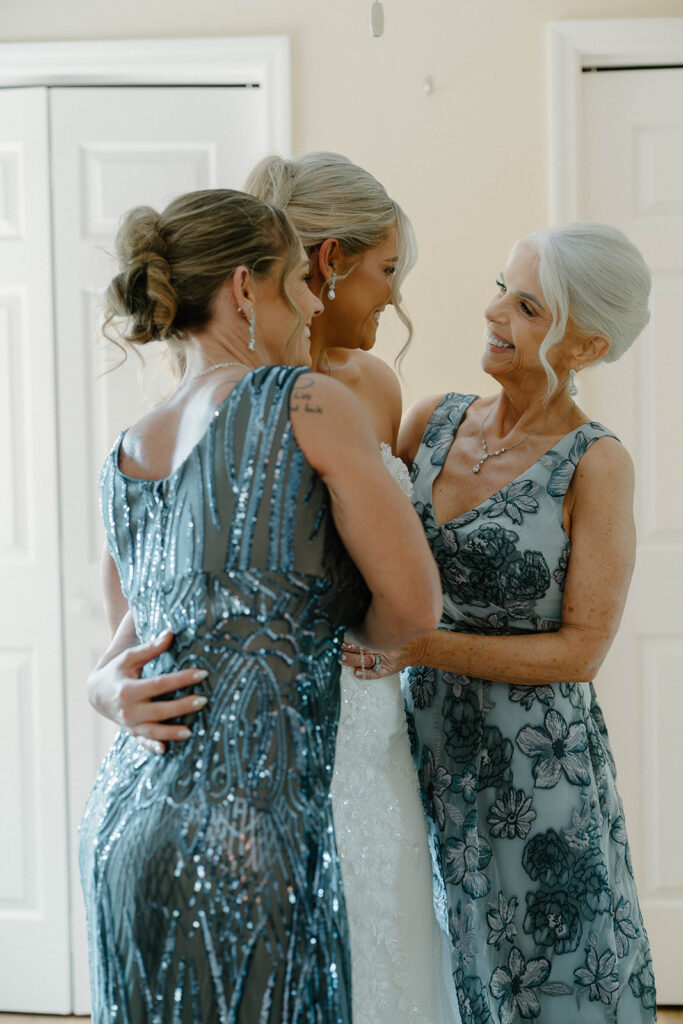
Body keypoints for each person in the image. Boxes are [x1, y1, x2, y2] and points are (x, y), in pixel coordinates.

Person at [88, 153, 458, 1024]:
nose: (314, 300)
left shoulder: (126, 449)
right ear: (248, 291)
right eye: (301, 280)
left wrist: (105, 690)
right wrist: (328, 637)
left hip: (124, 822)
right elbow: (412, 609)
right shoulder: (308, 402)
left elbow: (119, 661)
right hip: (254, 828)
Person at [343, 224, 657, 1023]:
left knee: (550, 985)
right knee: (440, 973)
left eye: (526, 307)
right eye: (500, 288)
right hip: (412, 753)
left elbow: (581, 651)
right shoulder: (428, 422)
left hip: (536, 773)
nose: (492, 312)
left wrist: (419, 647)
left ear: (584, 346)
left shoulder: (596, 463)